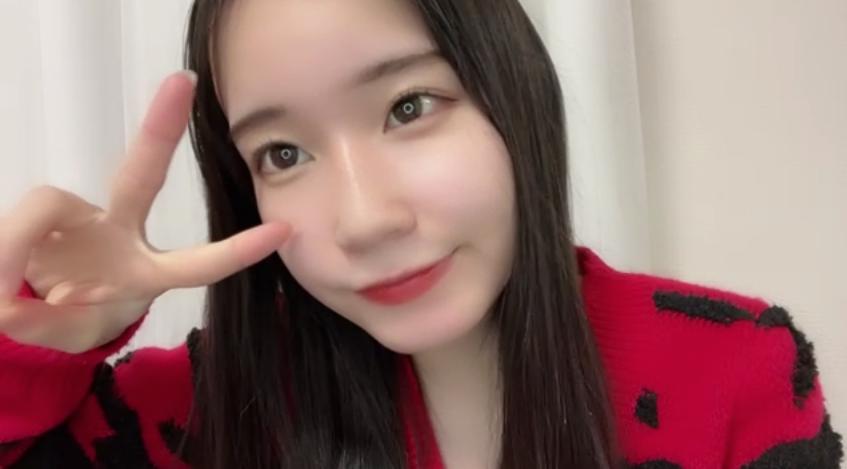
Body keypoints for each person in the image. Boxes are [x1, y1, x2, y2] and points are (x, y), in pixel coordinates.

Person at [0, 0, 842, 468]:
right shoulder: (200, 411)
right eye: (283, 153)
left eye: (408, 107)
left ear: (512, 96)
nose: (365, 219)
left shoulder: (729, 367)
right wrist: (41, 351)